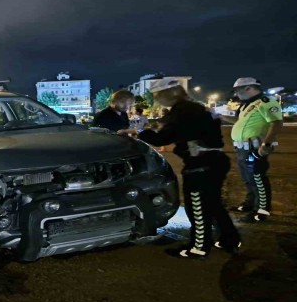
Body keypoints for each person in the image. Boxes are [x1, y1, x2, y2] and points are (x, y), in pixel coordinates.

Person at [118, 78, 240, 259]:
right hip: (214, 160)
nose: (157, 99)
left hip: (200, 164)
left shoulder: (183, 111)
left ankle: (199, 247)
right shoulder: (196, 107)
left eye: (158, 95)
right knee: (214, 204)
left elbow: (163, 138)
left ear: (170, 93)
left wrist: (140, 133)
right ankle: (229, 238)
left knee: (197, 207)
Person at [219, 78, 283, 222]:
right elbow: (239, 123)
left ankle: (262, 210)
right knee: (247, 178)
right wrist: (221, 116)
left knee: (257, 178)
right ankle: (249, 204)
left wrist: (266, 145)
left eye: (237, 90)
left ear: (248, 88)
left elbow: (276, 123)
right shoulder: (247, 105)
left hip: (255, 148)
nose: (236, 94)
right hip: (242, 148)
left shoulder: (267, 102)